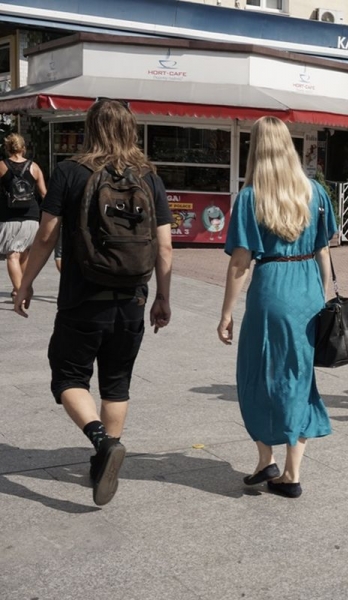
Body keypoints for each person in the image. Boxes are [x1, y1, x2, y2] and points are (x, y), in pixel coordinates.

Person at [14, 98, 173, 506]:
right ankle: (103, 461)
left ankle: (103, 443)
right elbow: (164, 247)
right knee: (116, 383)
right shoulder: (149, 177)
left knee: (68, 377)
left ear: (90, 128)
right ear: (131, 129)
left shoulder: (70, 171)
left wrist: (25, 283)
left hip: (82, 298)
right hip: (132, 299)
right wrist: (162, 297)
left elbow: (46, 235)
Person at [217, 116, 335, 499]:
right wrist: (324, 297)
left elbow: (240, 262)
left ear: (256, 148)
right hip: (308, 289)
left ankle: (265, 458)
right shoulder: (315, 192)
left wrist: (226, 312)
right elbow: (323, 250)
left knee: (258, 374)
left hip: (271, 288)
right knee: (300, 378)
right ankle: (292, 473)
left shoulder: (251, 197)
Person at [0, 133, 47, 299]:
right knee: (25, 253)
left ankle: (21, 292)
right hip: (31, 216)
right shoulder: (34, 167)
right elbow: (44, 194)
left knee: (12, 255)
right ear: (23, 148)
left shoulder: (2, 166)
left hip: (9, 216)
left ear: (7, 148)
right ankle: (23, 287)